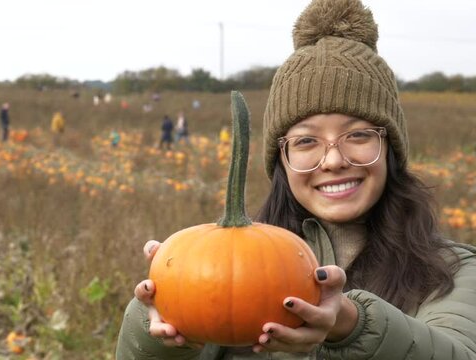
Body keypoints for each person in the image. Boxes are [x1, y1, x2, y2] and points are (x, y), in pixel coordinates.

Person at [115, 0, 476, 359]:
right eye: (306, 141)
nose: (333, 159)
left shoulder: (454, 272)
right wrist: (160, 317)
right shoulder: (222, 267)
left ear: (391, 148)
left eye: (359, 135)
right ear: (281, 160)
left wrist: (353, 325)